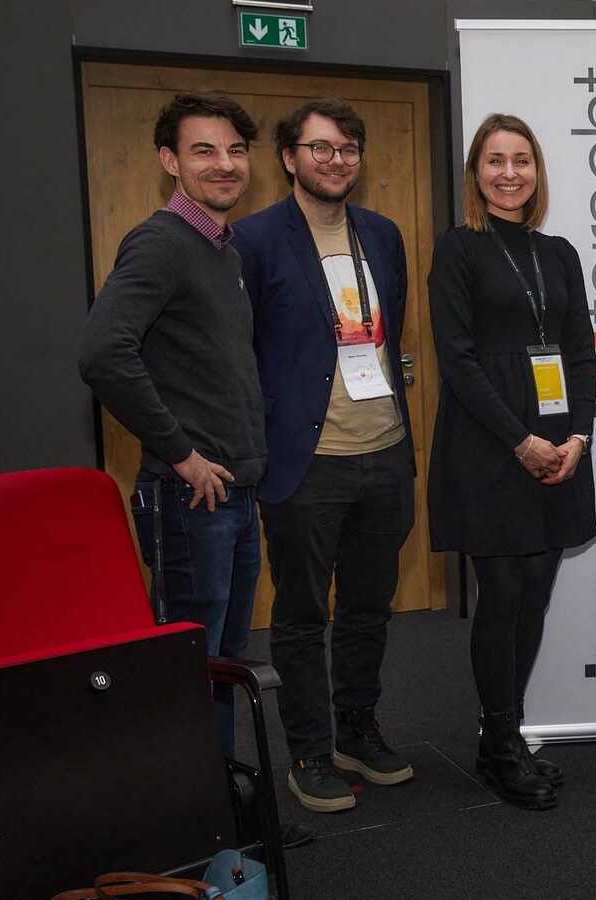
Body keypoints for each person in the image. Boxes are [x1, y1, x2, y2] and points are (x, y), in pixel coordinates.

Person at [233, 99, 416, 814]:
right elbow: (242, 353)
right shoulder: (254, 240)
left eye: (346, 149)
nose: (334, 161)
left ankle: (356, 732)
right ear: (288, 157)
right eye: (319, 149)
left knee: (369, 610)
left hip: (384, 452)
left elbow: (385, 330)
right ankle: (308, 750)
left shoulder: (382, 234)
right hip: (306, 462)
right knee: (303, 615)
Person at [79, 92, 265, 755]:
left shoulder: (223, 248)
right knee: (185, 668)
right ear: (170, 161)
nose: (225, 165)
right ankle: (188, 828)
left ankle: (222, 818)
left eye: (236, 151)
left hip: (235, 496)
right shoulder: (161, 243)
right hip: (190, 496)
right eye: (204, 150)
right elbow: (103, 353)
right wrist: (181, 452)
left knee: (220, 664)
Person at [427, 113, 596, 811]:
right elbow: (458, 362)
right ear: (477, 173)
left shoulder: (556, 252)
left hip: (558, 448)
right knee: (502, 596)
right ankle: (501, 743)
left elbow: (583, 352)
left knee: (535, 590)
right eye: (495, 160)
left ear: (537, 170)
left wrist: (577, 439)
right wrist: (519, 440)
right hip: (488, 448)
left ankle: (502, 733)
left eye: (521, 160)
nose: (509, 173)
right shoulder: (458, 250)